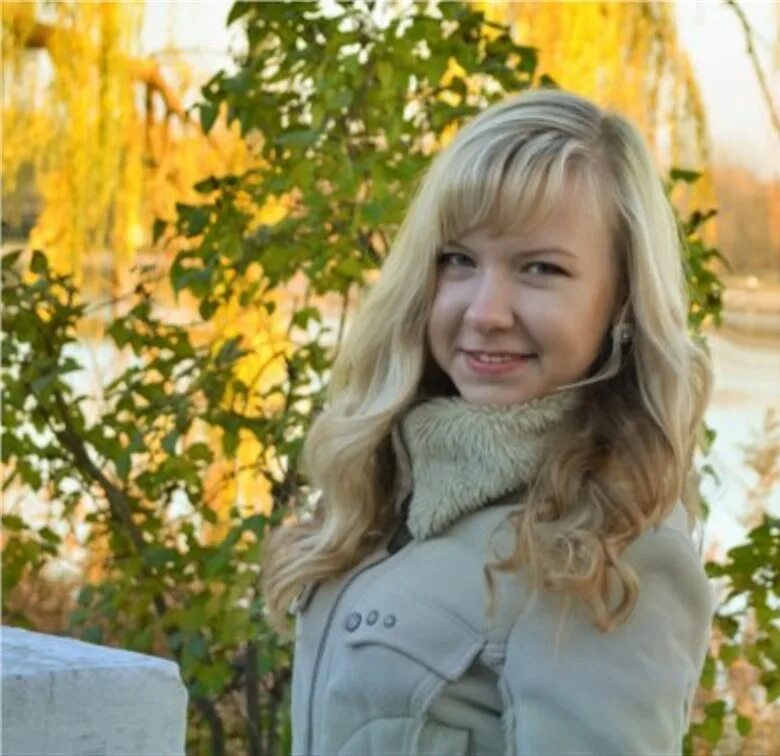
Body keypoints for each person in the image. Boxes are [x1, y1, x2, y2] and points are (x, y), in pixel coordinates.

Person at [262, 88, 715, 755]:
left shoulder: (611, 545)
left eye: (540, 269)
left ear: (622, 300)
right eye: (459, 260)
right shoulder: (390, 486)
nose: (485, 312)